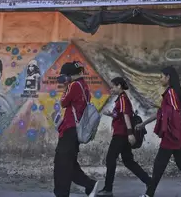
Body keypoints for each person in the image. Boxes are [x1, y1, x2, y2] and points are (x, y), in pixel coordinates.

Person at [135, 67, 181, 197]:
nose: (160, 79)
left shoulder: (171, 93)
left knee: (159, 166)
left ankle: (149, 194)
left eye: (161, 76)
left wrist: (162, 111)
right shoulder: (169, 93)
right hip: (175, 136)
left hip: (172, 137)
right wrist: (143, 124)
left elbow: (175, 113)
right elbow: (162, 113)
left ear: (168, 77)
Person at [97, 77, 150, 197]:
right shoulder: (120, 99)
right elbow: (120, 115)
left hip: (121, 135)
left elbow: (126, 116)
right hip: (123, 134)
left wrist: (130, 133)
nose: (111, 89)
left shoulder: (123, 99)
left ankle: (108, 189)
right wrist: (111, 114)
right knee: (128, 161)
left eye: (113, 86)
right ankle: (149, 181)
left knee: (110, 159)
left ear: (119, 86)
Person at [54, 61, 99, 197]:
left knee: (62, 164)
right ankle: (90, 185)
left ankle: (62, 194)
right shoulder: (83, 85)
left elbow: (63, 102)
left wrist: (65, 87)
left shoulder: (74, 86)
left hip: (70, 129)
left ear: (68, 75)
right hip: (74, 130)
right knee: (69, 163)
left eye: (63, 76)